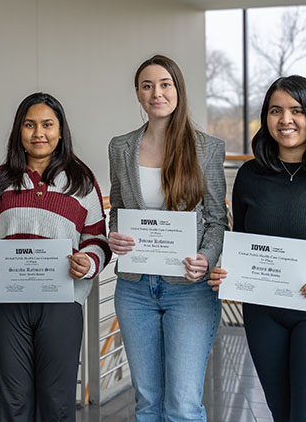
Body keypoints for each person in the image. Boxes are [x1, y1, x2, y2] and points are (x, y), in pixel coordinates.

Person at [0, 92, 110, 421]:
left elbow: (97, 239)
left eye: (48, 125)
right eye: (30, 125)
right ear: (19, 131)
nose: (39, 133)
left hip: (62, 303)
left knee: (57, 402)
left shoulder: (81, 181)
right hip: (8, 303)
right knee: (14, 401)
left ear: (61, 132)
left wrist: (87, 263)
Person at [209, 75, 306, 421]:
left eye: (297, 111)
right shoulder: (251, 174)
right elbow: (245, 241)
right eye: (275, 110)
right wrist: (230, 272)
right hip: (263, 311)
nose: (285, 120)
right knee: (282, 412)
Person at [107, 55, 228, 421]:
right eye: (147, 86)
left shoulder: (206, 149)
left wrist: (206, 258)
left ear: (178, 90)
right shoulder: (120, 147)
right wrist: (115, 237)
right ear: (138, 95)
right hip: (134, 288)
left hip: (188, 289)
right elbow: (118, 209)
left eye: (164, 84)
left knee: (182, 406)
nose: (156, 93)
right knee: (147, 404)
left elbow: (217, 219)